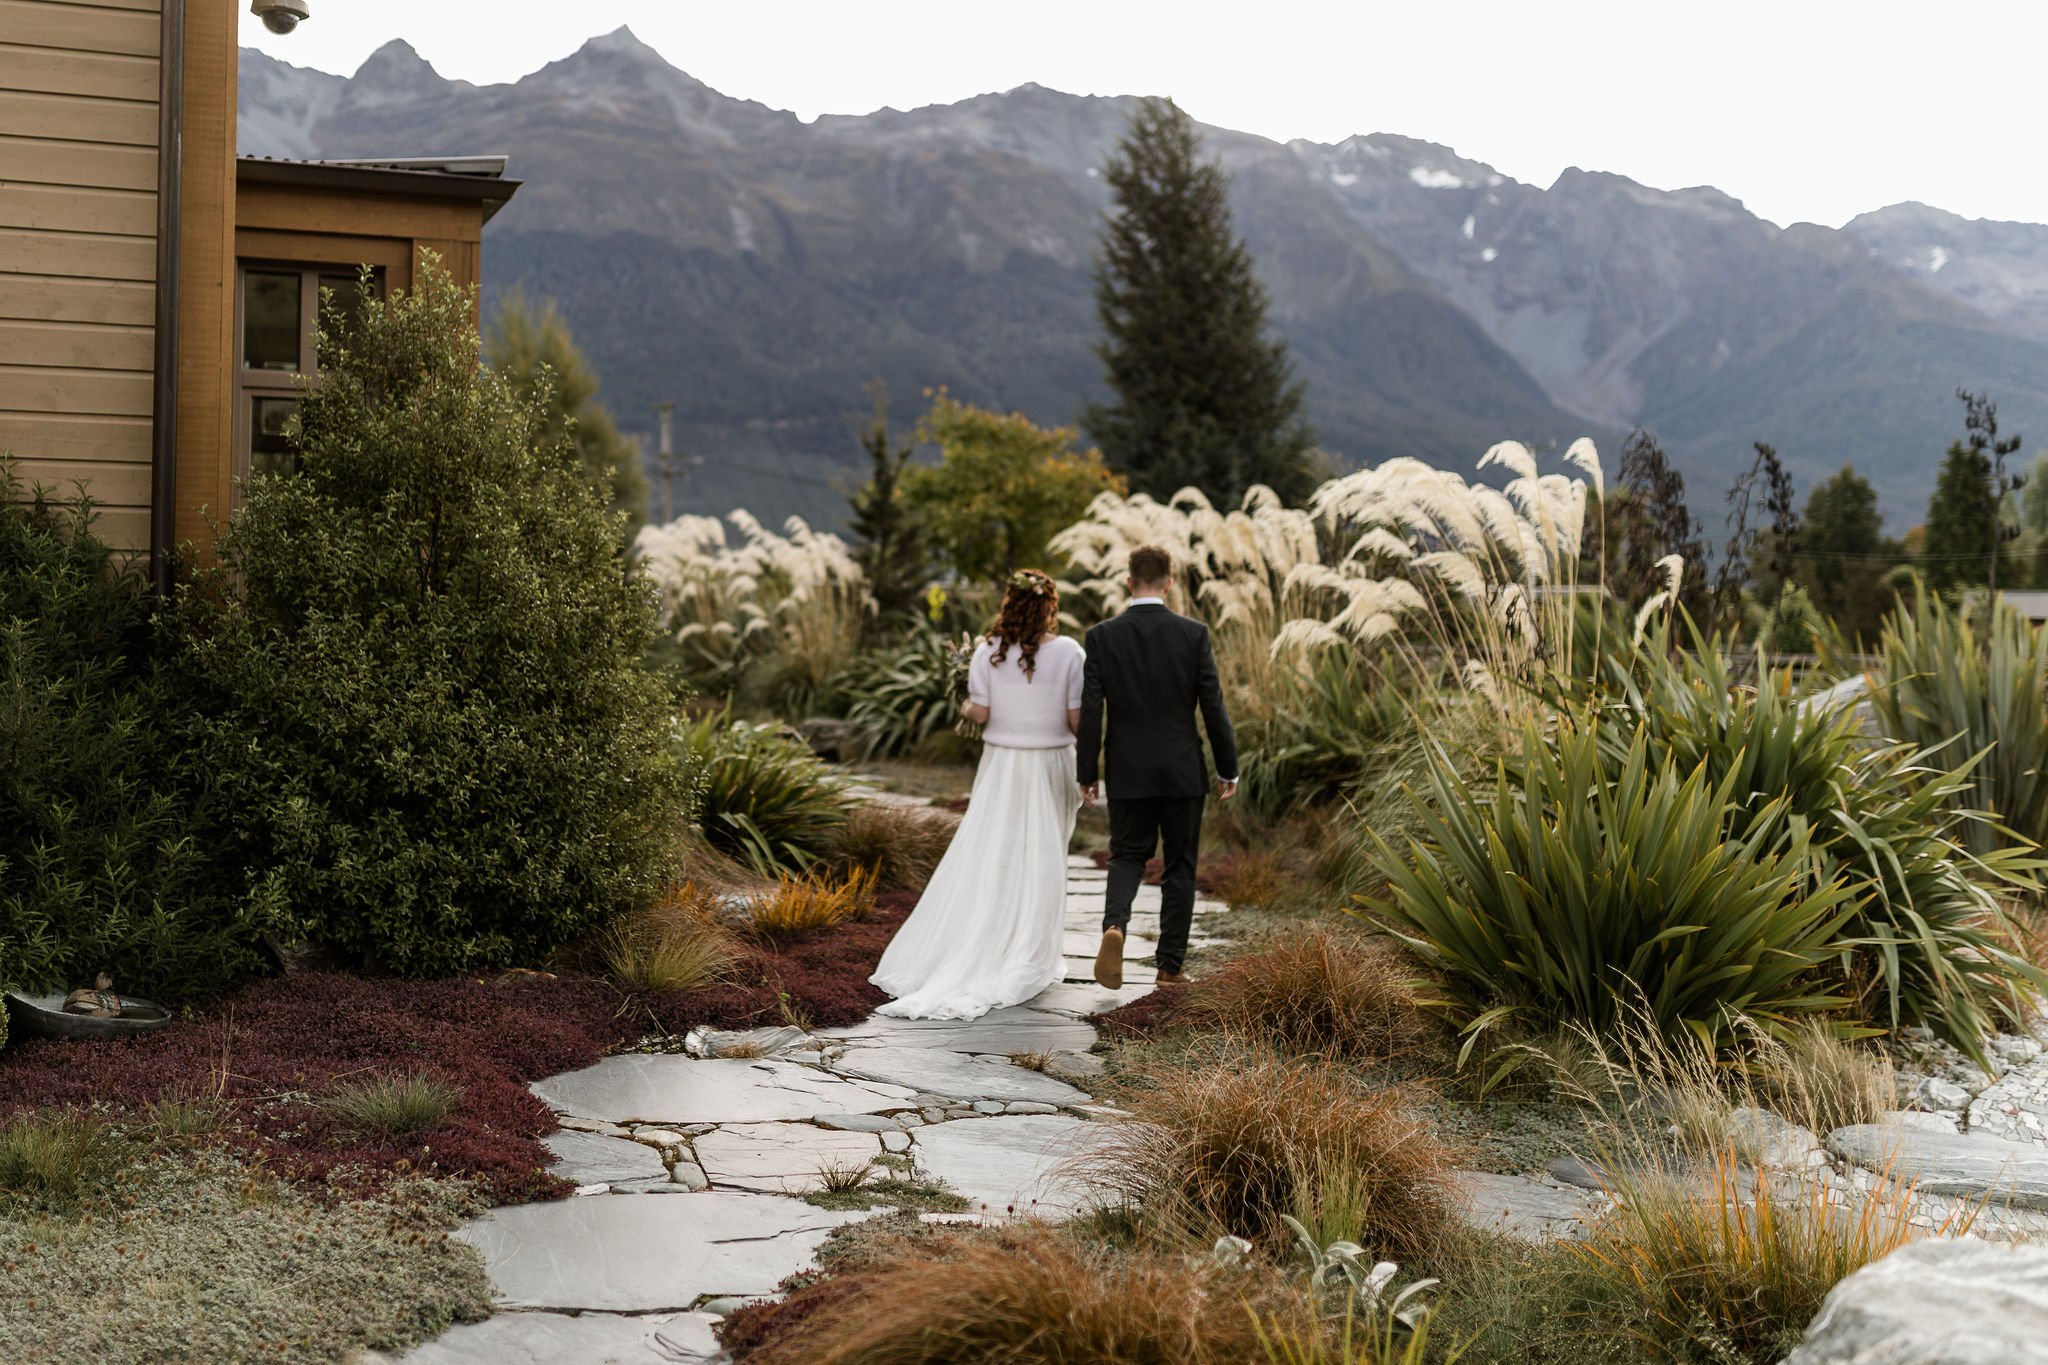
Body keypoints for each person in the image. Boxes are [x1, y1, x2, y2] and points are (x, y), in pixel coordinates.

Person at [869, 569, 1085, 1020]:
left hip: (1003, 764)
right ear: (1050, 605)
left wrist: (963, 702)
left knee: (995, 851)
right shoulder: (1070, 652)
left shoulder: (987, 652)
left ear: (1010, 603)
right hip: (1050, 764)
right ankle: (1032, 952)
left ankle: (990, 939)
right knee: (1044, 855)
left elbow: (980, 713)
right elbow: (1076, 720)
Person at [1076, 545, 1237, 989]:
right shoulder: (1193, 633)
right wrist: (1228, 768)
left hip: (1127, 770)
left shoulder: (1102, 636)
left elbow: (1092, 710)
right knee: (1180, 866)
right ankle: (1169, 967)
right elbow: (1213, 705)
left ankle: (1116, 926)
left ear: (1129, 582)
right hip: (1183, 770)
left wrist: (1086, 770)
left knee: (1127, 855)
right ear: (1168, 584)